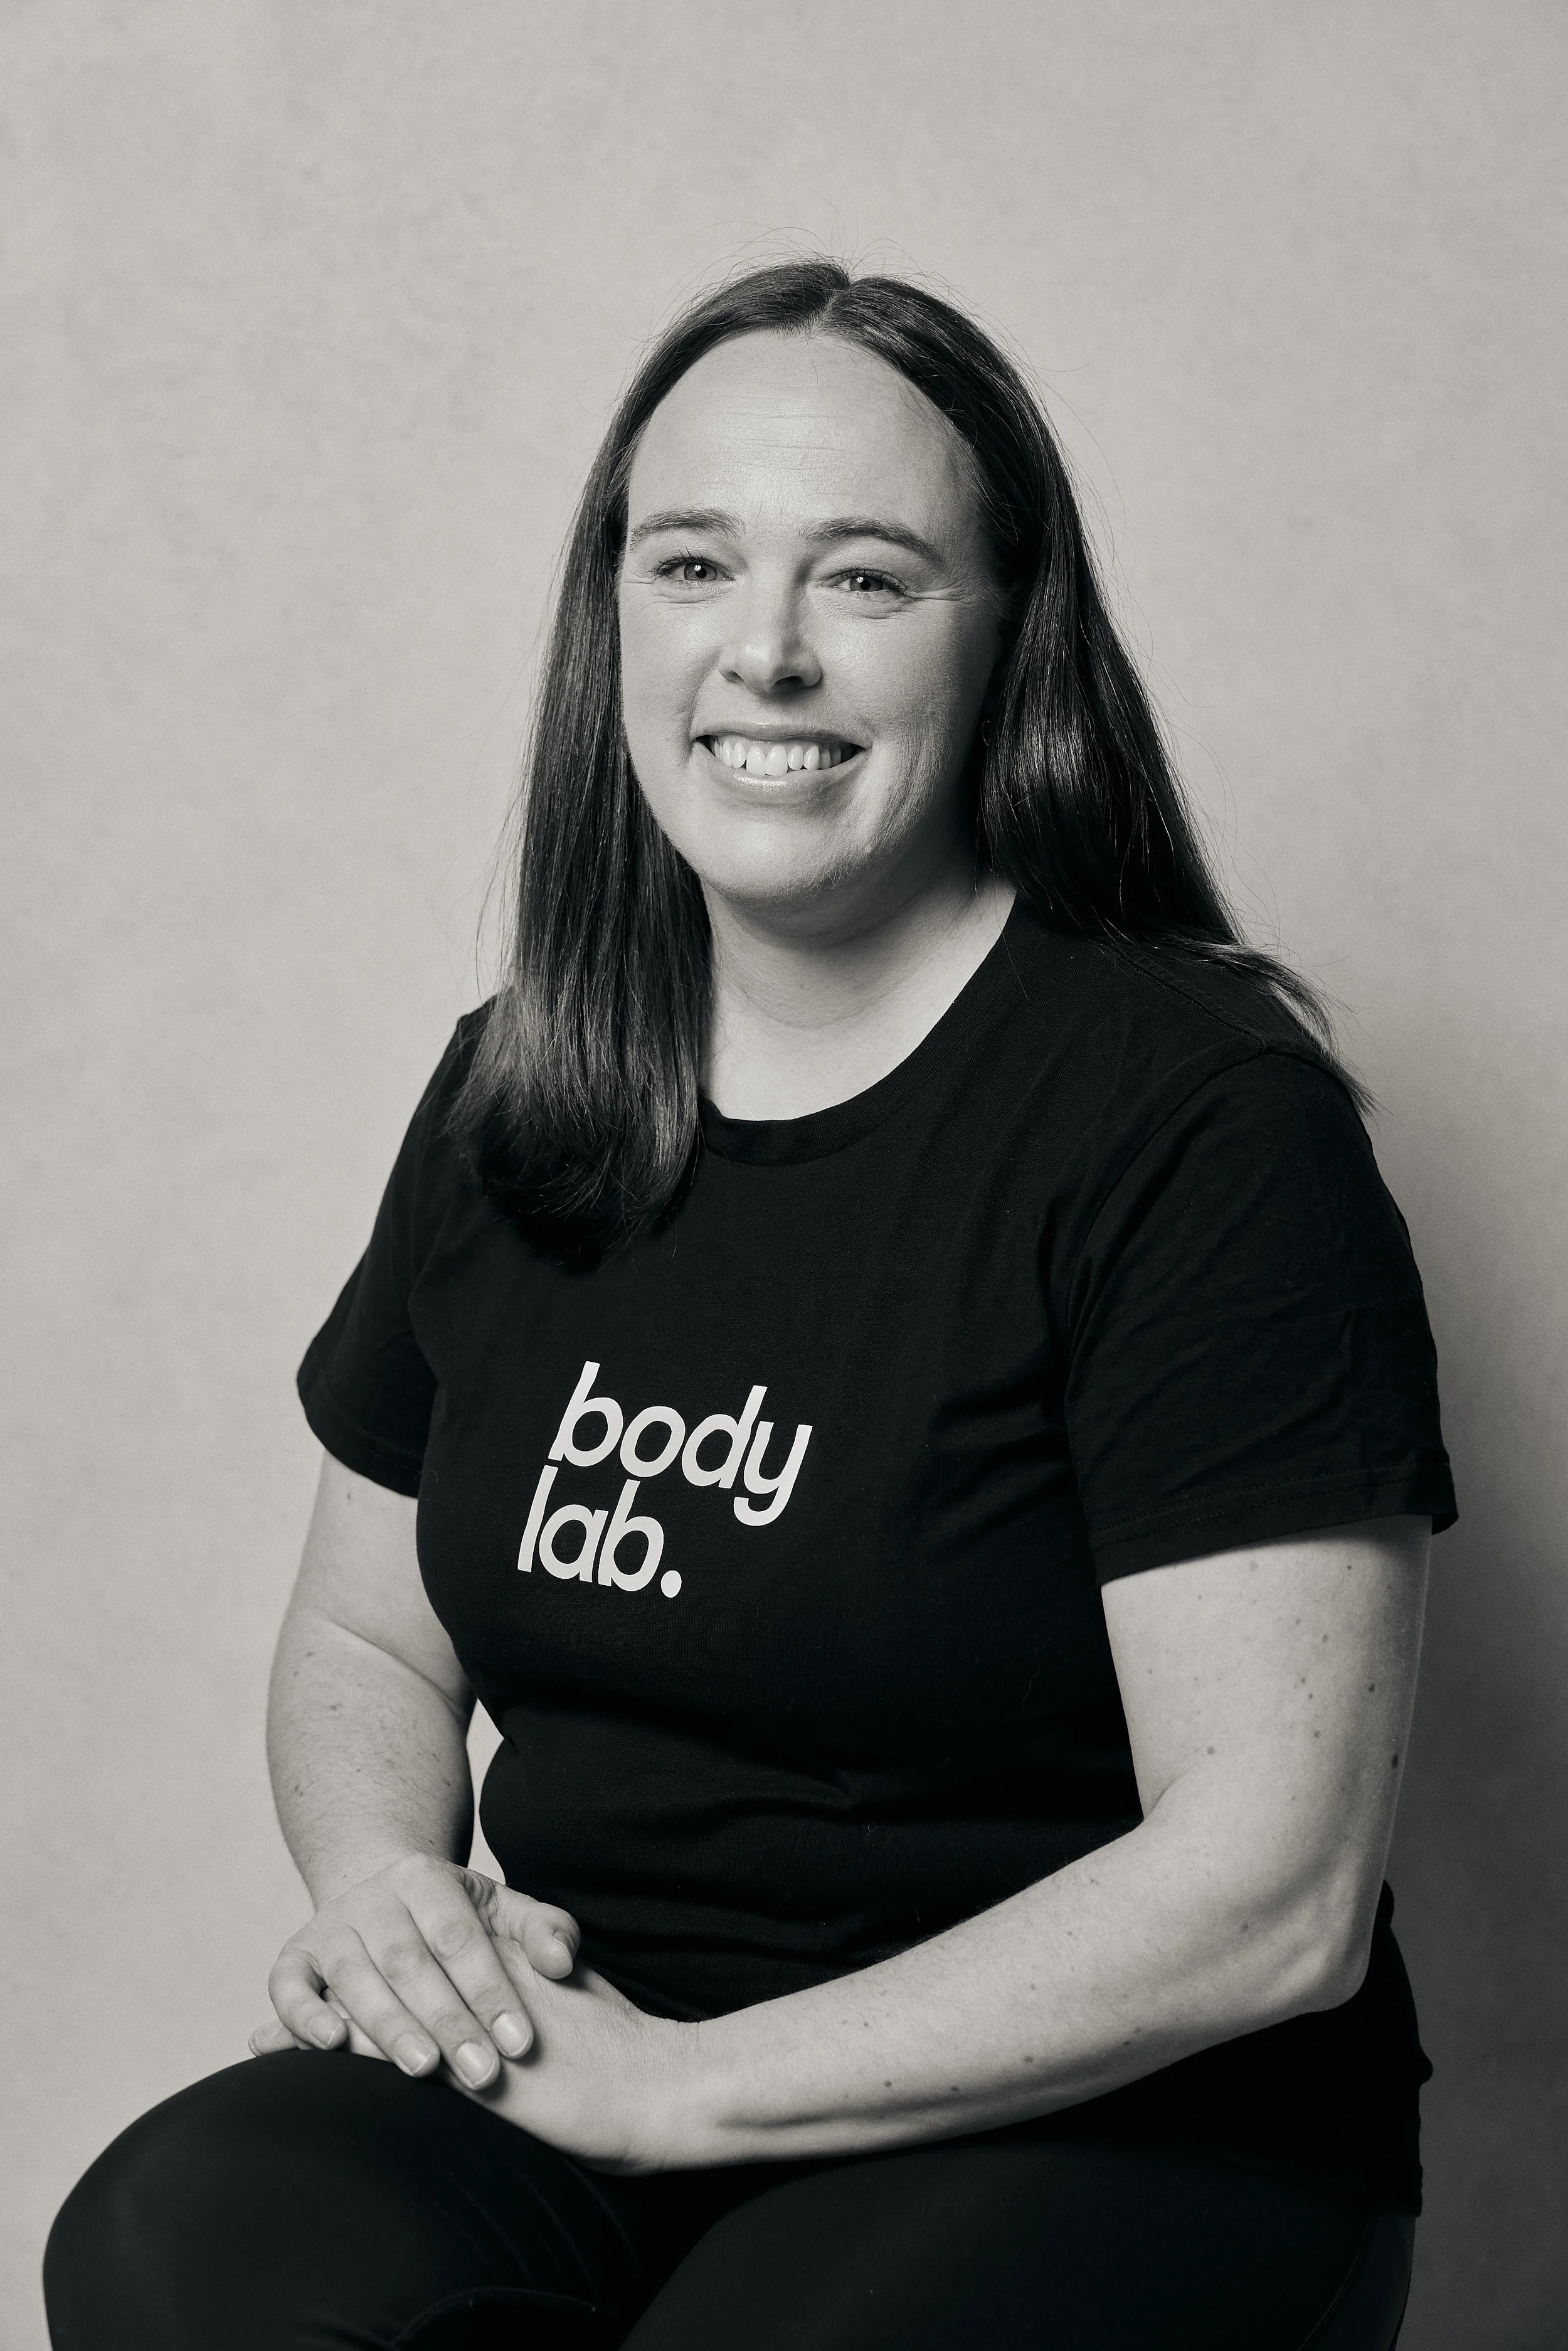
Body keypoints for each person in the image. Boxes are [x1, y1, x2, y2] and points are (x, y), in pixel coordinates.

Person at [45, 258, 1456, 2351]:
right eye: (691, 560)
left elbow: (1270, 1888)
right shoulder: (525, 1083)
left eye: (868, 579)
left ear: (1005, 647)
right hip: (591, 2047)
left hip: (1112, 2112)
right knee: (176, 2245)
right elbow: (364, 1631)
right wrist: (388, 1896)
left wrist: (685, 2093)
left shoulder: (1191, 1124)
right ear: (613, 617)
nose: (763, 652)